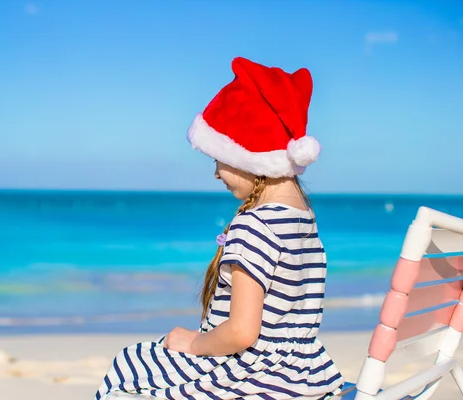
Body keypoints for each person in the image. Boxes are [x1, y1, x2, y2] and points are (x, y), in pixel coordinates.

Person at [94, 57, 345, 400]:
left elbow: (241, 332)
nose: (215, 173)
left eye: (219, 158)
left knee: (129, 367)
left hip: (254, 378)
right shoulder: (304, 219)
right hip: (303, 377)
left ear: (248, 154)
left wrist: (196, 343)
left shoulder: (255, 225)